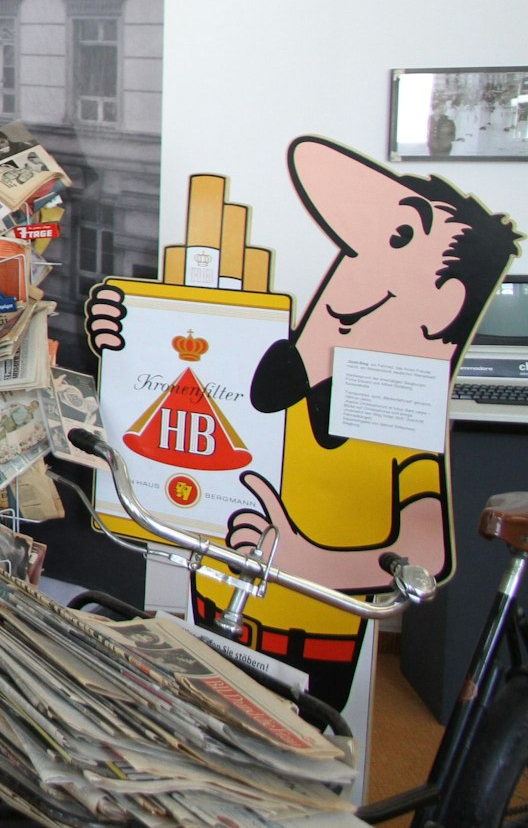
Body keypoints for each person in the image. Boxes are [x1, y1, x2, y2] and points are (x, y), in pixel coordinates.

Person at [88, 137, 518, 708]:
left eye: (397, 239)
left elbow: (427, 550)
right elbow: (184, 403)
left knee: (295, 761)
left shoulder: (400, 404)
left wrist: (299, 560)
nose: (353, 262)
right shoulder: (273, 364)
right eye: (358, 247)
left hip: (316, 645)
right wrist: (128, 340)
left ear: (445, 300)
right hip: (213, 613)